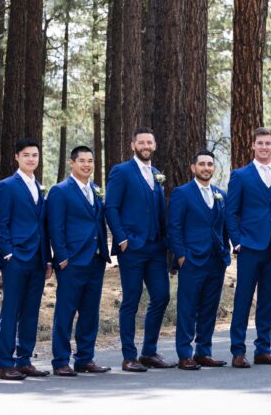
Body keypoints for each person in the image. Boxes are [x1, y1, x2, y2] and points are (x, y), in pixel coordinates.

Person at [104, 127, 174, 371]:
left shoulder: (156, 174)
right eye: (141, 142)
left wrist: (166, 241)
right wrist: (122, 238)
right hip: (132, 247)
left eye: (149, 142)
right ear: (133, 145)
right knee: (131, 300)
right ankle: (129, 356)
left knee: (162, 296)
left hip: (156, 248)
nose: (146, 146)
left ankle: (149, 352)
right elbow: (111, 207)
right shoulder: (121, 171)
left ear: (154, 146)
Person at [226, 127, 271, 367]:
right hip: (250, 245)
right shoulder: (240, 175)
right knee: (243, 298)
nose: (264, 147)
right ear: (253, 146)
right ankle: (238, 351)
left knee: (267, 298)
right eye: (260, 143)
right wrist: (237, 241)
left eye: (268, 143)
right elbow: (231, 212)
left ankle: (263, 349)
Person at [47, 146, 112, 376]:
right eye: (82, 161)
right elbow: (55, 226)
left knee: (90, 312)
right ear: (72, 163)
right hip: (72, 262)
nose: (87, 165)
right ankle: (61, 361)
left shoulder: (95, 190)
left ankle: (85, 358)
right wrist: (62, 257)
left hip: (96, 260)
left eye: (90, 161)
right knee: (65, 312)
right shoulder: (60, 191)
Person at [0, 138, 52, 380]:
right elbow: (1, 223)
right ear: (17, 157)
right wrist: (7, 253)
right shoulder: (7, 186)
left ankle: (24, 360)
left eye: (35, 155)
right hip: (16, 258)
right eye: (26, 155)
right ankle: (5, 363)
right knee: (11, 310)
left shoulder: (40, 187)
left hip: (37, 259)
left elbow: (43, 227)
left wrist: (47, 259)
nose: (31, 159)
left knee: (31, 311)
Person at [167, 149, 232, 370]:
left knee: (209, 308)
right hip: (192, 259)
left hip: (216, 260)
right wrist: (182, 256)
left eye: (210, 164)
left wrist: (225, 252)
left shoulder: (220, 194)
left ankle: (204, 352)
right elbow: (174, 227)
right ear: (193, 168)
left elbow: (222, 226)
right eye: (202, 164)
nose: (206, 168)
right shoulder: (182, 193)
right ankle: (185, 354)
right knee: (188, 308)